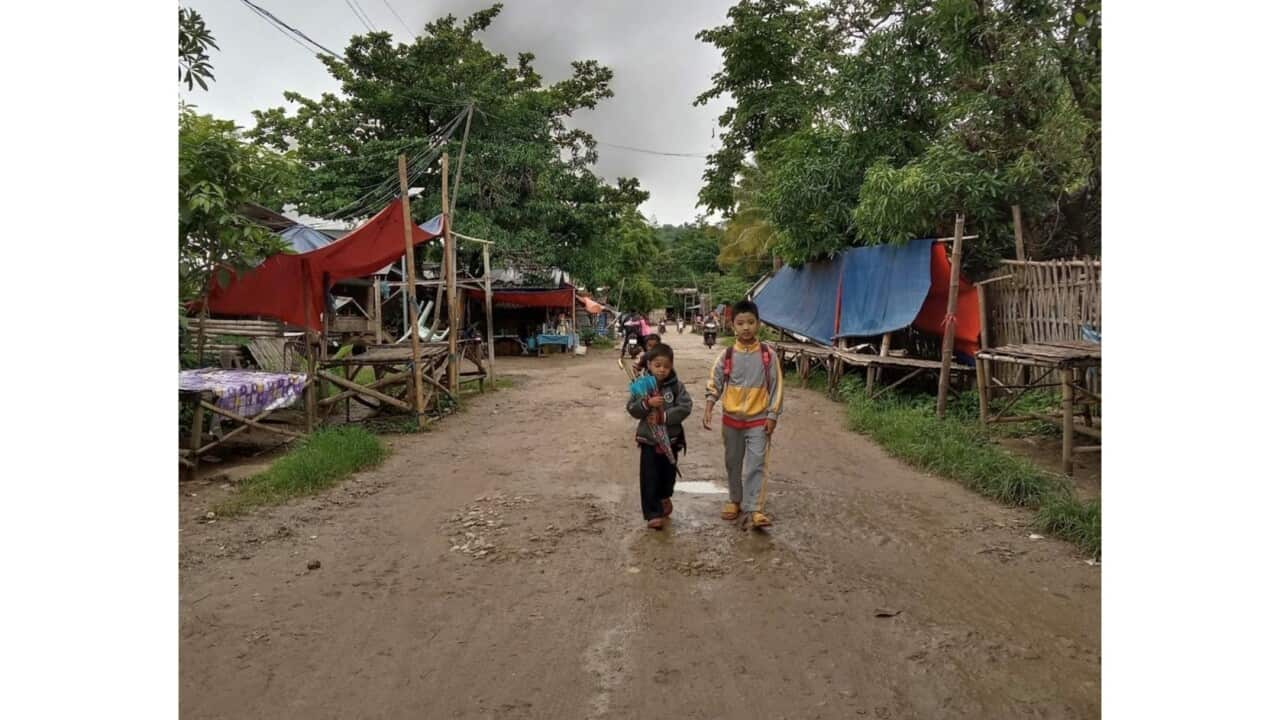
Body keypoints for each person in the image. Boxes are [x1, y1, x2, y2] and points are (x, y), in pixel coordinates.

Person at [703, 299, 783, 529]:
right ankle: (734, 500)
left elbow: (777, 387)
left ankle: (755, 508)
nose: (746, 327)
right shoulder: (727, 355)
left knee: (756, 463)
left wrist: (772, 415)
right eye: (741, 323)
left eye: (750, 322)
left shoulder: (769, 355)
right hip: (731, 420)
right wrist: (709, 405)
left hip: (758, 420)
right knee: (733, 462)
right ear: (732, 326)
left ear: (758, 324)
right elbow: (714, 381)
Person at [627, 342, 692, 529]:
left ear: (672, 366)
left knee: (667, 475)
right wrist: (647, 403)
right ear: (649, 365)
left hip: (671, 440)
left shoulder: (677, 386)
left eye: (666, 366)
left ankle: (664, 497)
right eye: (657, 365)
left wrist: (664, 416)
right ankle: (652, 514)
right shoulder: (641, 386)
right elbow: (632, 408)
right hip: (649, 440)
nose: (662, 370)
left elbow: (686, 407)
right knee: (649, 477)